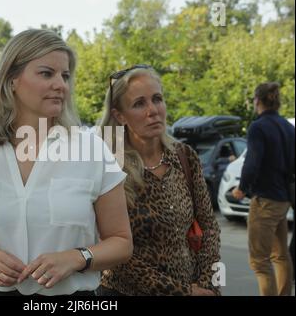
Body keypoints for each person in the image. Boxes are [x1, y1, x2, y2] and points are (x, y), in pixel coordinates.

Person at [0, 29, 133, 296]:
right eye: (46, 73)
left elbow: (122, 242)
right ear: (12, 81)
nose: (60, 84)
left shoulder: (92, 150)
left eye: (65, 76)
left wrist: (77, 258)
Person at [97, 65, 221, 296]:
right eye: (139, 103)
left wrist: (208, 285)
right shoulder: (108, 165)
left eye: (157, 99)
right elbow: (114, 252)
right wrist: (183, 292)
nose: (153, 110)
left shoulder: (185, 156)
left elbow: (209, 228)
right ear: (119, 116)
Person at [233, 82, 294, 296]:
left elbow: (252, 162)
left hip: (265, 200)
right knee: (281, 255)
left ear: (257, 101)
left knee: (260, 262)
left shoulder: (258, 127)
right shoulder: (288, 127)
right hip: (283, 199)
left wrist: (242, 188)